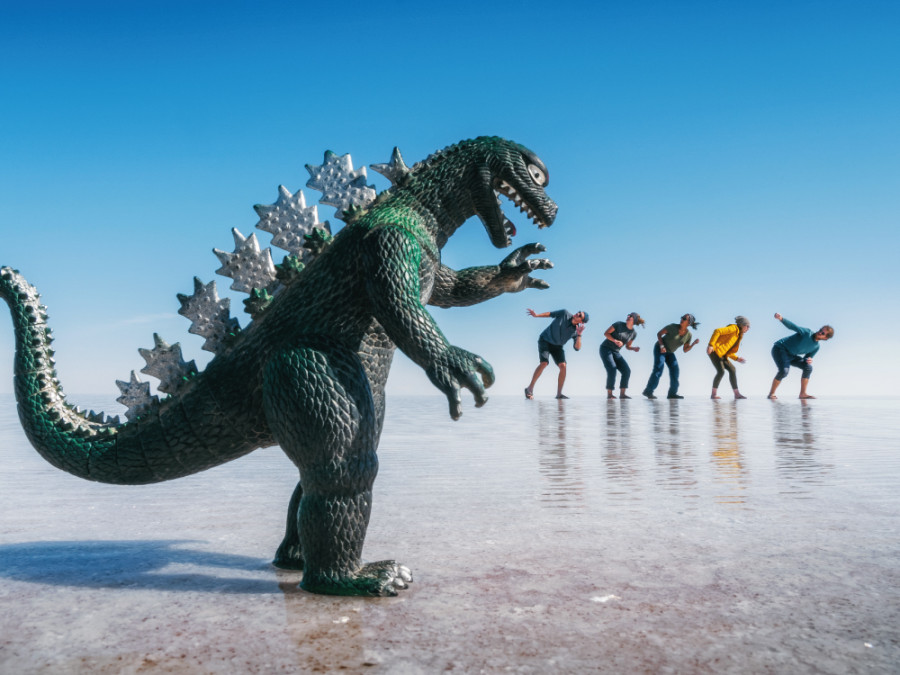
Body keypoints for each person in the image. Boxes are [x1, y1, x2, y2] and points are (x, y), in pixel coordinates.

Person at [524, 309, 588, 399]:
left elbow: (577, 348)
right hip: (545, 340)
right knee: (544, 363)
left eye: (580, 315)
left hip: (557, 347)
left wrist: (579, 335)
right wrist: (536, 315)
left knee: (563, 366)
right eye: (578, 312)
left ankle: (559, 394)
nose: (577, 314)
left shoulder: (576, 331)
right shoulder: (564, 313)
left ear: (581, 322)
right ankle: (529, 389)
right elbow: (550, 314)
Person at [767, 313, 834, 399]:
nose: (820, 332)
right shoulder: (807, 333)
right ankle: (771, 394)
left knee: (808, 367)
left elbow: (807, 358)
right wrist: (781, 319)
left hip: (791, 355)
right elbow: (793, 326)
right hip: (780, 349)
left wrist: (809, 360)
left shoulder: (816, 347)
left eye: (823, 333)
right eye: (821, 330)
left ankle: (803, 394)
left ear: (825, 338)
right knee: (784, 371)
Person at [642, 314, 701, 399]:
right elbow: (659, 334)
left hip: (670, 352)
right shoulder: (672, 327)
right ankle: (648, 391)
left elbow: (685, 350)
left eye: (684, 319)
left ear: (689, 323)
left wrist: (693, 344)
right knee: (659, 368)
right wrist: (662, 346)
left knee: (675, 370)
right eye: (681, 317)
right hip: (660, 348)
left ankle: (672, 394)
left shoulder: (688, 335)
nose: (681, 319)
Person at [600, 312, 644, 399]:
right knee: (612, 368)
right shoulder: (618, 324)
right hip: (605, 348)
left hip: (616, 352)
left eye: (631, 316)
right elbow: (606, 333)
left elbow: (628, 346)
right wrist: (615, 340)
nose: (628, 316)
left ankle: (622, 394)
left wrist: (633, 348)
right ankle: (610, 394)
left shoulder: (633, 333)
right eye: (628, 315)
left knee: (626, 370)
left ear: (634, 320)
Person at [707, 316, 750, 399]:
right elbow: (717, 331)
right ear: (742, 325)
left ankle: (737, 394)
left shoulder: (738, 335)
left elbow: (728, 351)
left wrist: (737, 358)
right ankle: (713, 394)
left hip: (722, 354)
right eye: (747, 326)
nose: (748, 328)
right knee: (721, 371)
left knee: (732, 369)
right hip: (714, 351)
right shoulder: (733, 328)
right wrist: (711, 345)